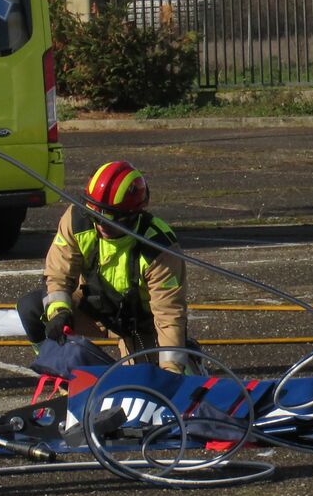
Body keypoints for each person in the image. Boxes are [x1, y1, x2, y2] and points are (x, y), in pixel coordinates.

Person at [16, 160, 192, 375]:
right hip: (93, 311)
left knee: (147, 385)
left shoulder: (159, 248)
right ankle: (54, 368)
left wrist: (171, 371)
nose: (101, 225)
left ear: (133, 214)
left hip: (141, 324)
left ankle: (188, 359)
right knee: (31, 307)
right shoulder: (77, 220)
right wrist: (59, 312)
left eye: (111, 219)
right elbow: (58, 273)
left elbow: (168, 316)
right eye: (96, 217)